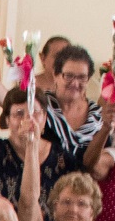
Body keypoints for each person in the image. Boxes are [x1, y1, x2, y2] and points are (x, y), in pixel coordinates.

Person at [40, 45, 101, 183]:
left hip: (84, 194)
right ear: (55, 75)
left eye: (82, 77)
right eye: (68, 76)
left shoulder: (98, 117)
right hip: (43, 187)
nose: (75, 83)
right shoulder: (40, 107)